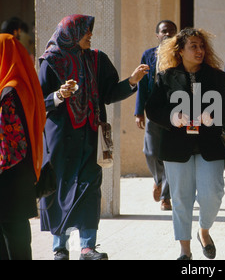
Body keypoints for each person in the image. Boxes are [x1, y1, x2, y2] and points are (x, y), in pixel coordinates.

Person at [38, 14, 148, 260]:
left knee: (90, 187)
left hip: (91, 134)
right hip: (61, 137)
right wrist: (58, 95)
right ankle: (60, 247)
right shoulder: (51, 61)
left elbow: (108, 93)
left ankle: (88, 247)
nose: (90, 35)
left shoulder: (98, 59)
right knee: (60, 187)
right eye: (86, 31)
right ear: (72, 33)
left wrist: (132, 82)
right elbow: (40, 101)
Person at [145, 28, 225, 260]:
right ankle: (185, 251)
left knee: (212, 194)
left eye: (202, 46)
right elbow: (152, 109)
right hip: (176, 147)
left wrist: (214, 115)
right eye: (193, 46)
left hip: (210, 146)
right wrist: (172, 117)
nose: (199, 50)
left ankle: (204, 231)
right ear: (180, 50)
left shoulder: (218, 77)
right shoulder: (165, 77)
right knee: (181, 199)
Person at [0, 34, 46, 260]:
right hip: (24, 173)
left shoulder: (8, 92)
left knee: (11, 239)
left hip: (8, 178)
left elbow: (9, 144)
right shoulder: (25, 85)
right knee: (18, 235)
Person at [135, 20, 177, 211]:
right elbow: (142, 85)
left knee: (170, 154)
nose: (167, 34)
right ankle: (159, 180)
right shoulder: (148, 55)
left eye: (171, 31)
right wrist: (139, 112)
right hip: (153, 110)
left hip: (175, 112)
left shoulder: (180, 54)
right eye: (164, 31)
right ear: (157, 35)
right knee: (150, 152)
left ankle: (166, 197)